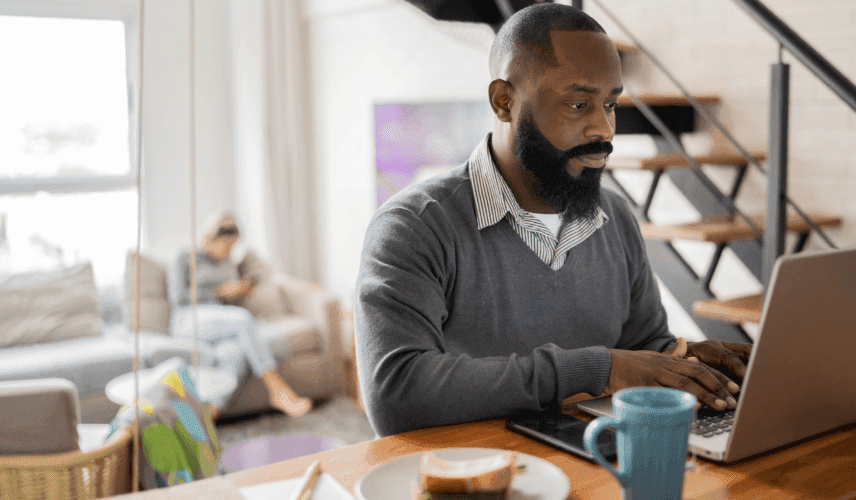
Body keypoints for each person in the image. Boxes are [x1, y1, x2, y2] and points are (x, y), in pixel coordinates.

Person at [354, 4, 751, 437]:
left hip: (594, 463)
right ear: (504, 102)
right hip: (474, 474)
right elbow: (395, 395)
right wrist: (593, 367)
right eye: (579, 104)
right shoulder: (414, 226)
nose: (604, 128)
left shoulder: (615, 217)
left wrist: (687, 360)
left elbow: (642, 345)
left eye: (611, 104)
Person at [172, 212, 312, 417]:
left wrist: (239, 291)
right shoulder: (185, 257)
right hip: (188, 319)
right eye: (226, 245)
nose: (229, 251)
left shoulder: (228, 263)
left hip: (219, 324)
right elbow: (179, 297)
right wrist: (217, 291)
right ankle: (277, 389)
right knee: (243, 318)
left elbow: (229, 306)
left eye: (233, 246)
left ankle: (208, 418)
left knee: (234, 353)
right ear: (210, 237)